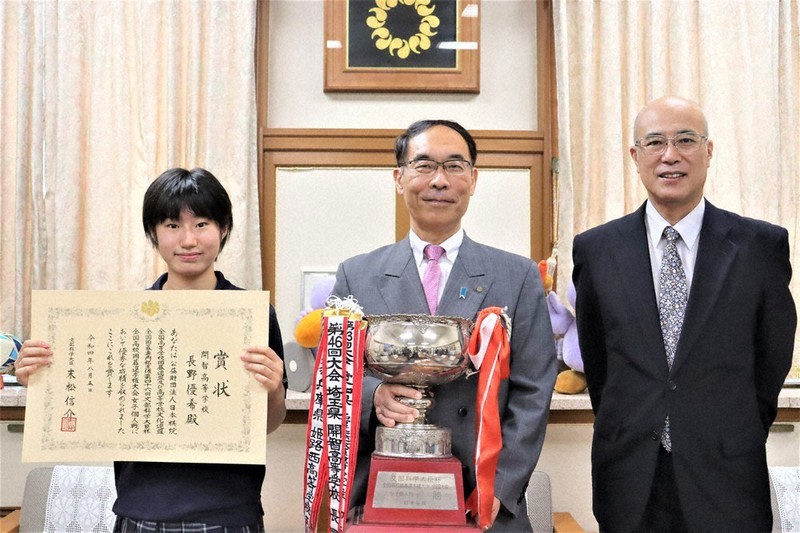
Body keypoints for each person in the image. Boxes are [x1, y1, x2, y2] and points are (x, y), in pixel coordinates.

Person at [15, 167, 287, 531]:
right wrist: (39, 375)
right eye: (173, 226)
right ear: (154, 234)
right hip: (139, 509)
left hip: (228, 512)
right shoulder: (122, 321)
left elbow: (268, 424)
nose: (188, 240)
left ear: (223, 230)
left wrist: (272, 390)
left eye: (202, 224)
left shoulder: (253, 317)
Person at [572, 96, 796, 532]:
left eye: (686, 140)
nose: (670, 155)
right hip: (629, 476)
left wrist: (731, 429)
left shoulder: (759, 247)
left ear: (708, 152)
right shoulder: (597, 250)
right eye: (655, 142)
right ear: (636, 157)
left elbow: (771, 360)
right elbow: (599, 362)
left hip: (727, 474)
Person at [331, 119, 557, 531]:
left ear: (473, 179)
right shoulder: (356, 275)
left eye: (454, 166)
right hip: (384, 497)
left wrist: (497, 492)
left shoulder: (517, 276)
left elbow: (533, 392)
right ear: (399, 179)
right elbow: (335, 376)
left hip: (484, 503)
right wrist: (376, 394)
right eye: (424, 166)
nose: (439, 181)